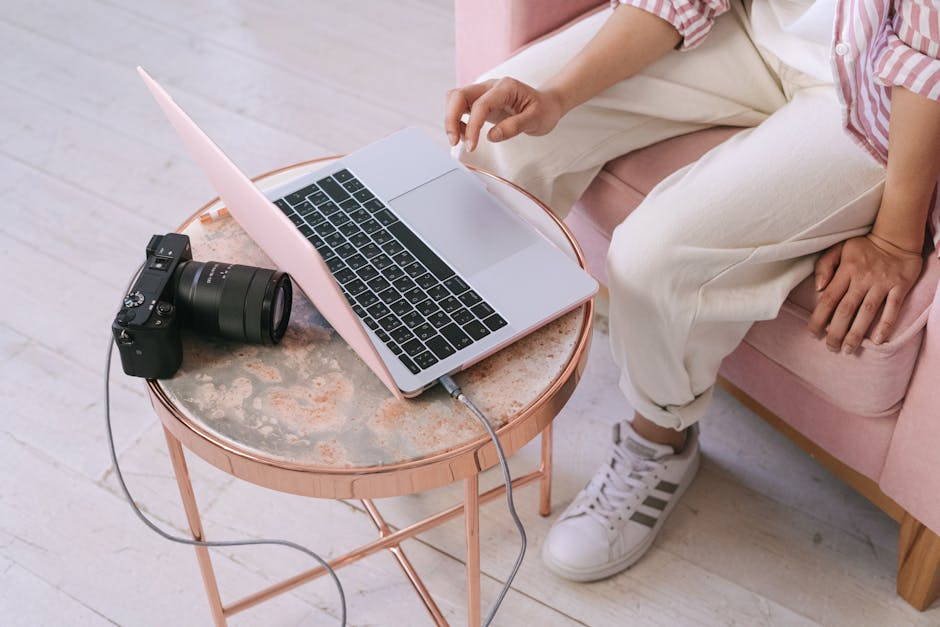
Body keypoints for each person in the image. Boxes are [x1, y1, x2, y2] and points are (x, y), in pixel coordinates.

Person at [444, 0, 940, 582]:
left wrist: (897, 241)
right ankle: (459, 365)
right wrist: (555, 96)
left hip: (876, 103)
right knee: (499, 133)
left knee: (654, 260)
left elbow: (927, 56)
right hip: (754, 30)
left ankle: (660, 445)